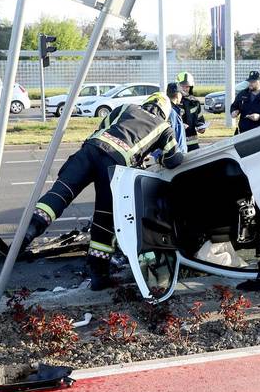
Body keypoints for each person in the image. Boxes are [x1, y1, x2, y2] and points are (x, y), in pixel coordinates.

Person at [21, 93, 184, 289]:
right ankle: (98, 275)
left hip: (90, 150)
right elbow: (173, 159)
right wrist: (154, 159)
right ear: (165, 113)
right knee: (105, 220)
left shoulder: (127, 107)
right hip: (115, 166)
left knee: (59, 194)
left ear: (147, 102)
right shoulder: (164, 127)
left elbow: (102, 127)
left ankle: (27, 233)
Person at [175, 71, 206, 150]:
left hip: (193, 144)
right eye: (183, 86)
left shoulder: (195, 102)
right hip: (178, 143)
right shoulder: (173, 102)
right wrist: (181, 126)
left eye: (187, 86)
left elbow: (199, 119)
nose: (185, 89)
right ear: (178, 86)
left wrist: (201, 127)